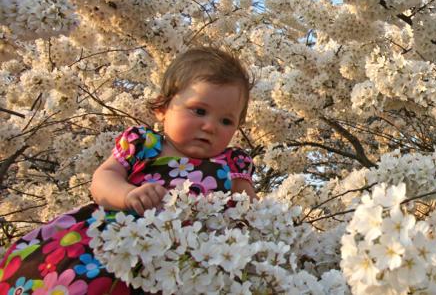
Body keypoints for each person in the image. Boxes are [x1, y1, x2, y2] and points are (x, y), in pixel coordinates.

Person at [0, 47, 256, 294]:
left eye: (226, 121)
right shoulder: (143, 144)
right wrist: (126, 195)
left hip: (188, 261)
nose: (210, 126)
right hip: (118, 240)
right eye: (199, 111)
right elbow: (103, 179)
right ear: (162, 109)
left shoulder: (232, 163)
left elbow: (250, 211)